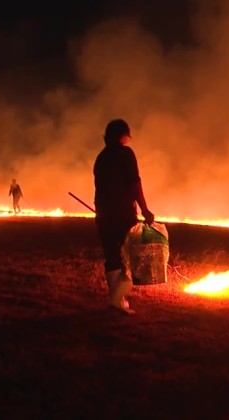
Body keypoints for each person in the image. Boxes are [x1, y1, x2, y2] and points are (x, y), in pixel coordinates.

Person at [93, 119, 155, 315]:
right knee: (130, 257)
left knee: (112, 255)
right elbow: (134, 182)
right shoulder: (125, 153)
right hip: (123, 214)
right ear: (123, 136)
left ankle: (117, 300)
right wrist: (144, 209)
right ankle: (117, 299)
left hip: (104, 214)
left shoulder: (101, 157)